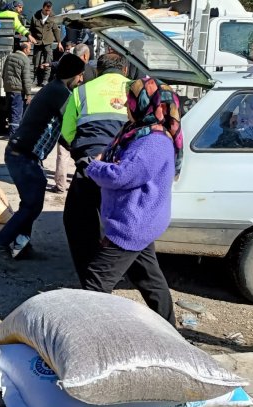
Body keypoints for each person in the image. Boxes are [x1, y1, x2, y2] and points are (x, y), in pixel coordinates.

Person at [79, 76, 183, 325]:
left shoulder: (153, 141)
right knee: (148, 278)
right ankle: (169, 329)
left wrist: (94, 167)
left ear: (146, 104)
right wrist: (104, 161)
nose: (126, 106)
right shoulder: (138, 131)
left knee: (95, 280)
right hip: (141, 219)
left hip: (133, 223)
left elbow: (123, 175)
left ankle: (90, 334)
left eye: (130, 100)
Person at [0, 55, 87, 260]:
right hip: (22, 155)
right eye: (80, 76)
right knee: (33, 204)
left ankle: (21, 246)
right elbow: (71, 127)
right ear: (73, 76)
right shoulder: (60, 93)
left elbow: (61, 133)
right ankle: (0, 243)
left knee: (30, 202)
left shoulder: (55, 89)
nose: (81, 80)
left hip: (23, 155)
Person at [60, 53, 130, 282]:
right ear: (125, 70)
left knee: (79, 220)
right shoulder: (135, 90)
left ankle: (89, 276)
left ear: (98, 71)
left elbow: (67, 133)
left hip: (90, 167)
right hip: (125, 169)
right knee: (123, 223)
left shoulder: (82, 91)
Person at [2, 40, 35, 139]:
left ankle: (12, 133)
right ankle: (14, 136)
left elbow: (4, 73)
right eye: (29, 49)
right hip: (18, 90)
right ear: (25, 49)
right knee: (17, 113)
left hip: (9, 89)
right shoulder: (24, 60)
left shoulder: (10, 56)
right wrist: (29, 94)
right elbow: (26, 78)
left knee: (11, 112)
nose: (30, 51)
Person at [29, 1, 63, 86]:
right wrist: (29, 39)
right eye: (46, 10)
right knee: (36, 62)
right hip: (37, 42)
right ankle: (36, 79)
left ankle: (45, 80)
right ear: (43, 8)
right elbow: (31, 29)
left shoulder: (52, 17)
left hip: (48, 42)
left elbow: (56, 30)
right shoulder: (35, 16)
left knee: (48, 62)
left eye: (49, 10)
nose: (48, 12)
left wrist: (59, 42)